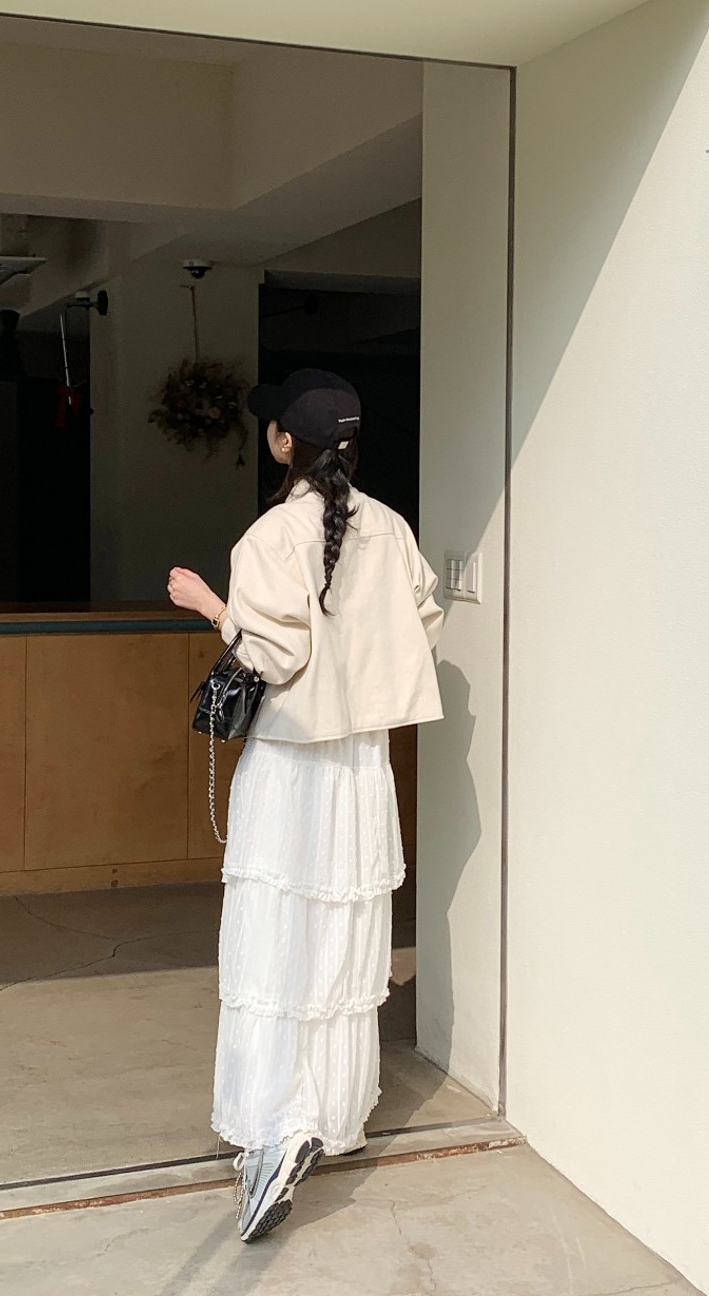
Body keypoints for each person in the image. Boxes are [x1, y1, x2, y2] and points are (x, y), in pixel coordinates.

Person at [167, 367, 444, 1243]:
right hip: (360, 766)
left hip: (292, 763)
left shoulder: (271, 535)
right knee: (339, 937)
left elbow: (273, 653)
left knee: (276, 937)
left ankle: (274, 1127)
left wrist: (209, 605)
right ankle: (328, 1112)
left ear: (285, 442)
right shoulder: (390, 528)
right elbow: (424, 623)